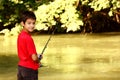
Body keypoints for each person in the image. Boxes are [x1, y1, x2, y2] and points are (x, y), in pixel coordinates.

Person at [17, 11, 41, 80]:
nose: (32, 25)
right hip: (30, 70)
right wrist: (38, 59)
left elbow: (26, 53)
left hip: (21, 68)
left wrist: (37, 56)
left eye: (33, 23)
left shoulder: (20, 35)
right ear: (22, 23)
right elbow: (34, 58)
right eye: (29, 23)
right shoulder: (29, 38)